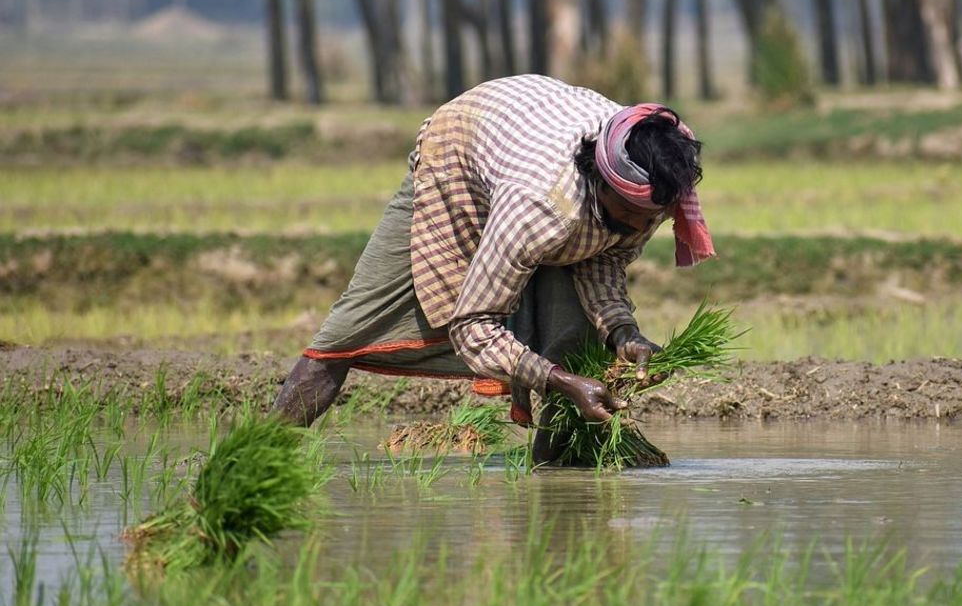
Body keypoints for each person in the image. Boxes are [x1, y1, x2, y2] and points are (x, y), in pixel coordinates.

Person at [271, 74, 713, 462]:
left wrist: (622, 332)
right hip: (461, 152)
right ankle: (258, 456)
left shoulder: (647, 187)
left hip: (527, 132)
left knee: (578, 338)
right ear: (600, 182)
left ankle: (553, 480)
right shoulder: (539, 206)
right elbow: (474, 325)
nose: (638, 229)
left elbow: (606, 256)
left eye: (649, 219)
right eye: (629, 216)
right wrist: (560, 382)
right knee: (350, 329)